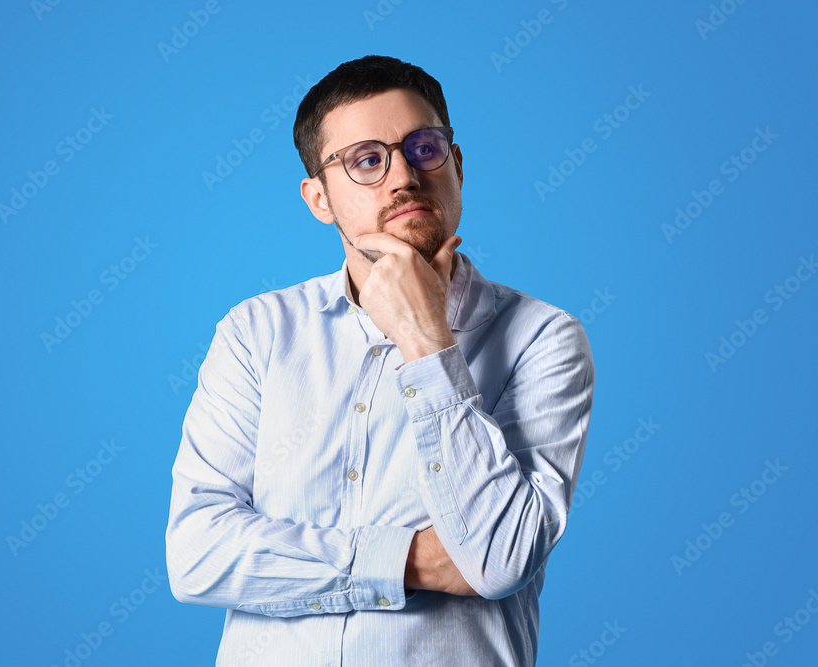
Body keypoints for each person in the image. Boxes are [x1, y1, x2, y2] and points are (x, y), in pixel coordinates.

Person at [166, 55, 595, 666]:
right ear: (319, 197)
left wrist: (428, 344)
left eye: (425, 148)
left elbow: (500, 558)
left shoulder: (541, 339)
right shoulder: (257, 331)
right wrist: (409, 561)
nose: (403, 176)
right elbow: (197, 556)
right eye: (367, 160)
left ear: (458, 166)